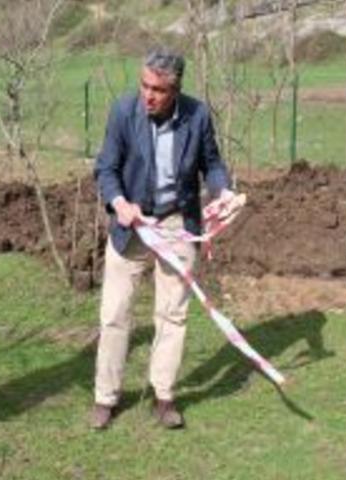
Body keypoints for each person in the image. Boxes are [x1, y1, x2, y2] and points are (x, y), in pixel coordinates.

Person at [91, 50, 233, 430]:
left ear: (175, 90)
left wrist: (223, 192)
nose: (148, 95)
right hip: (132, 224)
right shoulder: (124, 112)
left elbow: (212, 164)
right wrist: (119, 203)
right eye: (144, 85)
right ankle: (105, 397)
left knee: (173, 313)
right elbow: (106, 168)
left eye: (158, 89)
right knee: (115, 313)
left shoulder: (197, 115)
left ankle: (164, 396)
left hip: (176, 222)